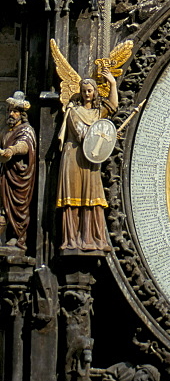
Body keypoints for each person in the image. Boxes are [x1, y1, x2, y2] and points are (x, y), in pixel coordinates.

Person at [56, 68, 117, 252]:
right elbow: (82, 134)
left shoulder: (98, 113)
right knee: (73, 197)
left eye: (90, 90)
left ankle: (94, 238)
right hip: (74, 156)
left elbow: (113, 106)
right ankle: (72, 239)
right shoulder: (74, 112)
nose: (87, 94)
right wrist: (100, 136)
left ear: (95, 92)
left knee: (93, 196)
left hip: (91, 158)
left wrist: (113, 84)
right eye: (84, 91)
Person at [0, 91, 36, 250]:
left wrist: (11, 151)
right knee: (2, 208)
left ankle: (17, 236)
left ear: (22, 114)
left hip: (18, 176)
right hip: (4, 174)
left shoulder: (26, 129)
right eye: (10, 110)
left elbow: (24, 145)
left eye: (15, 111)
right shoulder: (4, 130)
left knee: (17, 208)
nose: (12, 114)